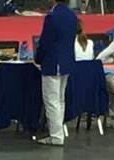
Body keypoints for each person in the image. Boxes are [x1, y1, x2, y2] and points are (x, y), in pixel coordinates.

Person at [35, 0, 79, 146]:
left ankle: (56, 136)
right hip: (67, 62)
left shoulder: (52, 16)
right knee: (60, 100)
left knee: (52, 101)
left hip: (54, 63)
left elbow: (45, 42)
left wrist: (38, 58)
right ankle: (58, 133)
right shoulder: (72, 15)